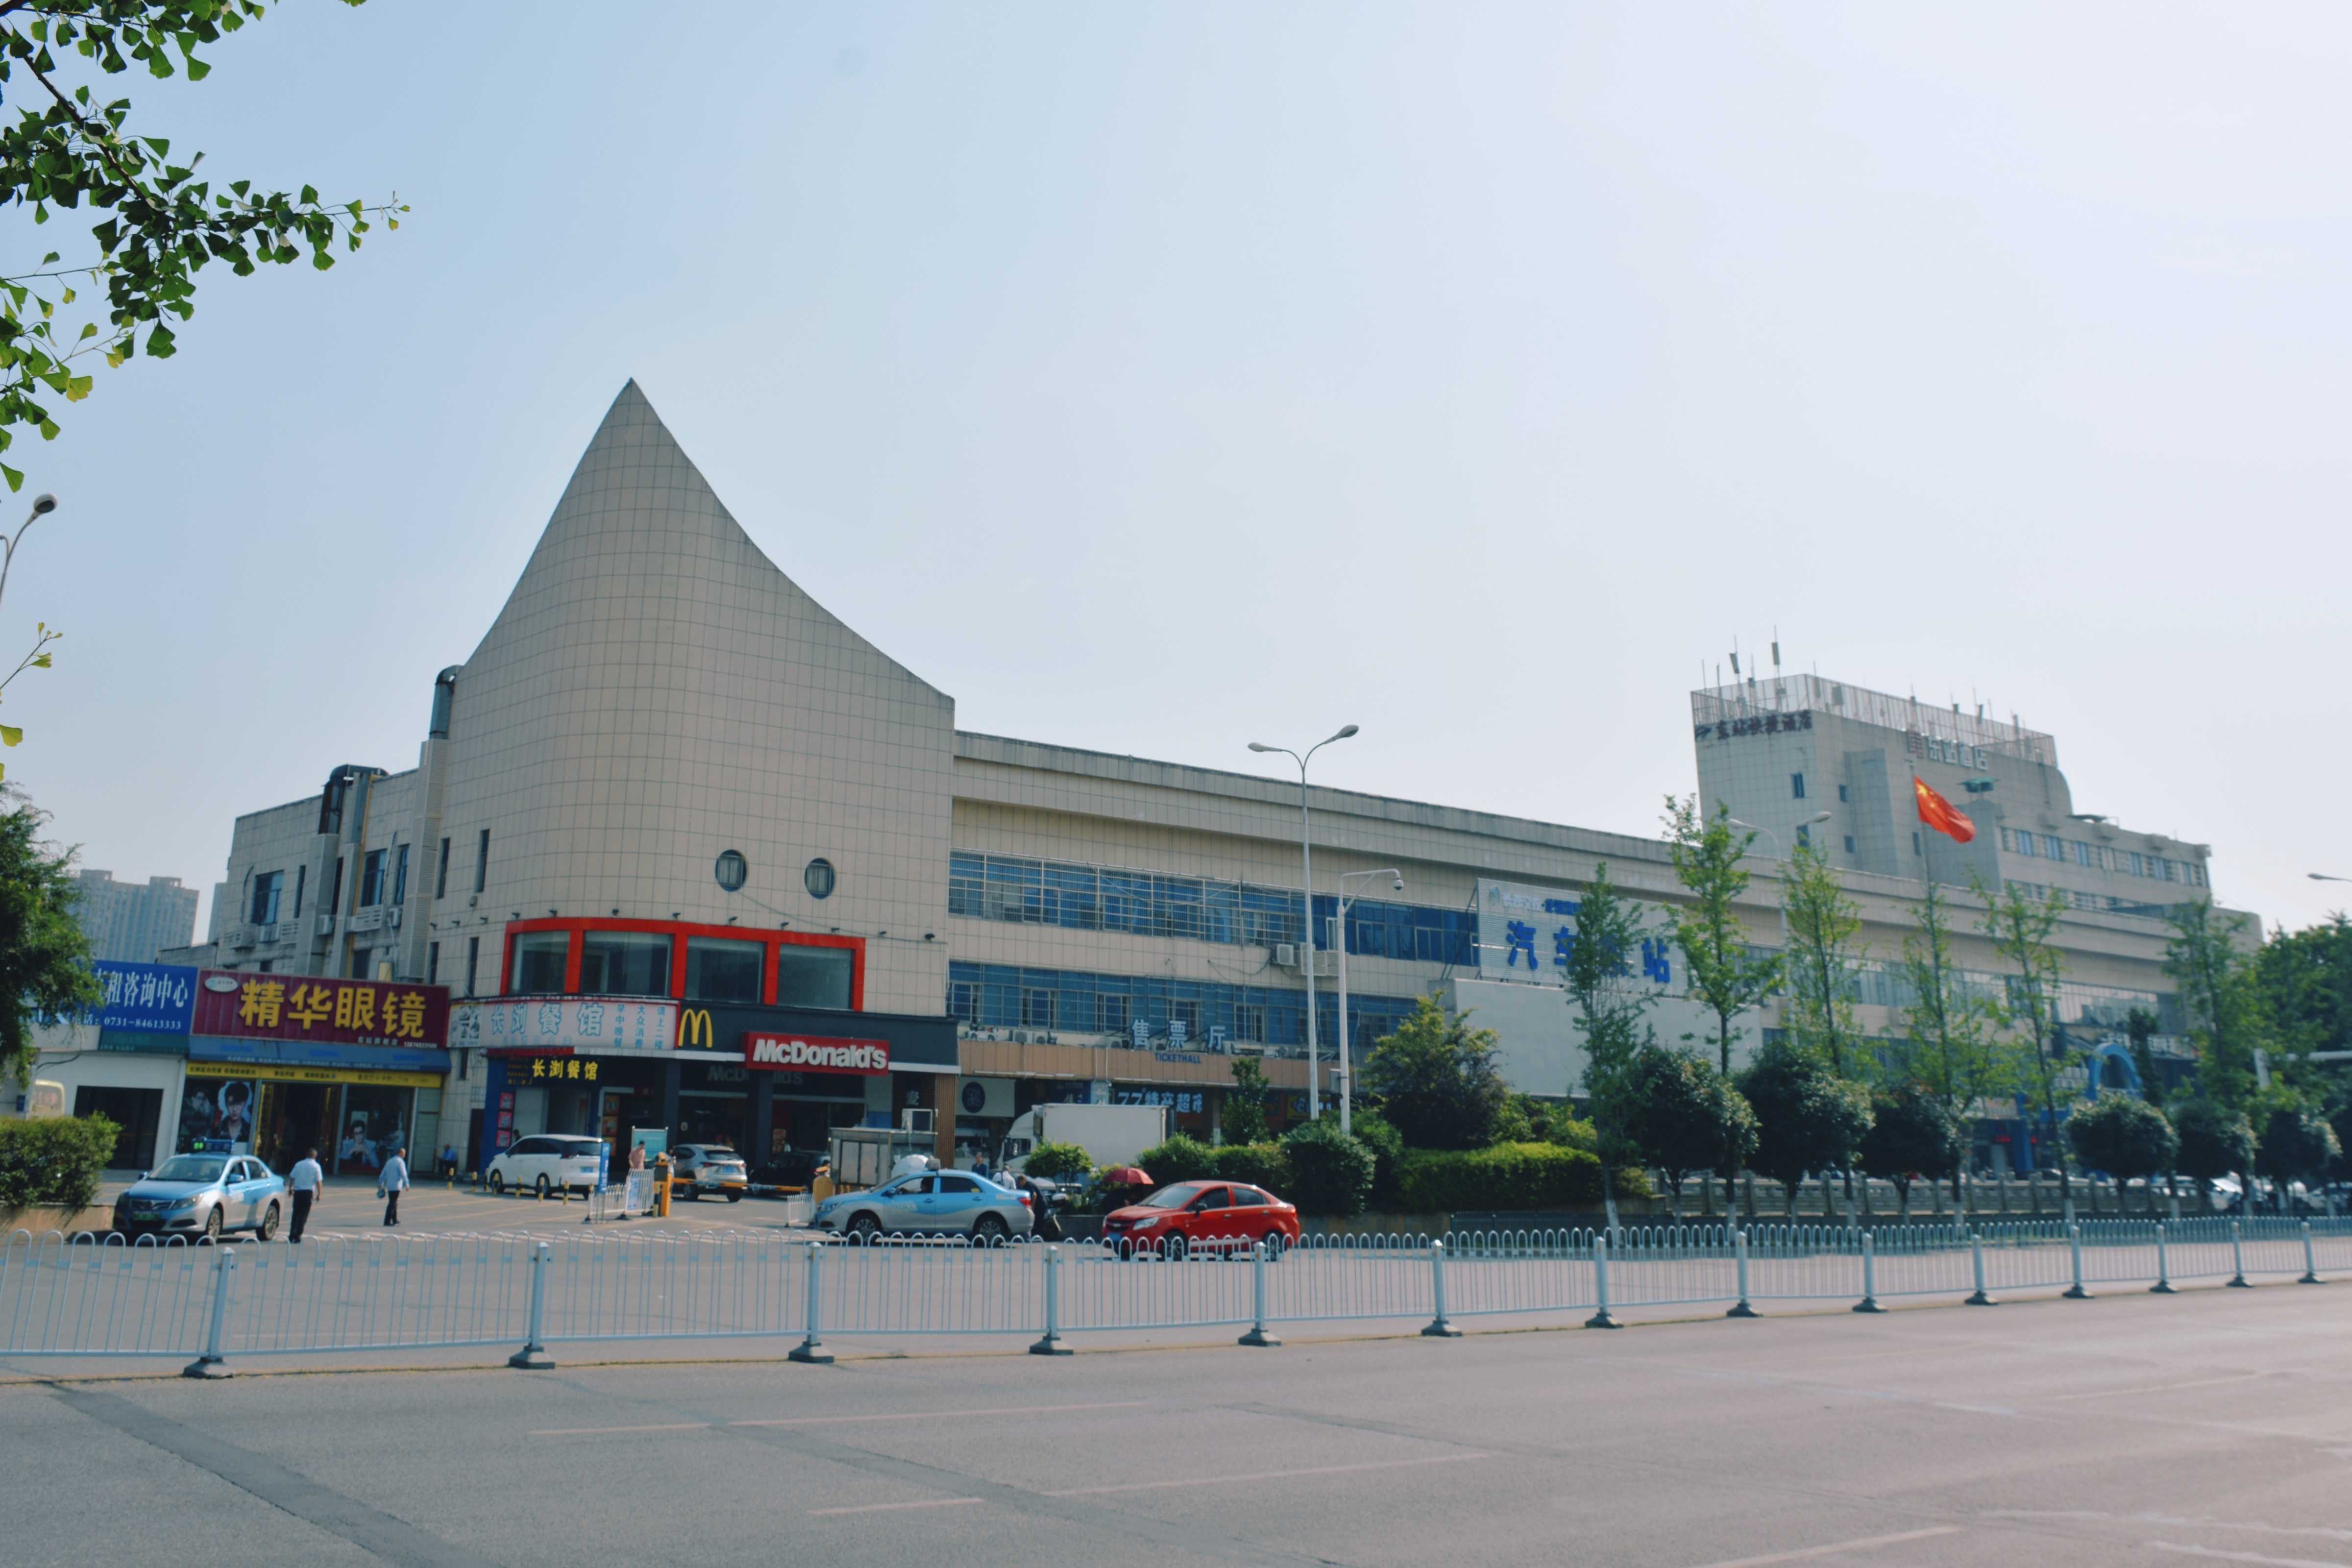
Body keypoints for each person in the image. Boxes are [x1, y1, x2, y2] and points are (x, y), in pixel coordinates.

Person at [288, 1148, 323, 1244]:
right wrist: (319, 1194)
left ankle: (292, 1235)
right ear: (315, 1156)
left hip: (298, 1192)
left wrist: (290, 1188)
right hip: (308, 1193)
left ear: (306, 1155)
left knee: (295, 1214)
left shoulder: (299, 1164)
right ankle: (298, 1235)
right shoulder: (316, 1166)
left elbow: (292, 1177)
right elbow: (319, 1182)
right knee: (303, 1215)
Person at [378, 1143, 410, 1227]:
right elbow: (404, 1174)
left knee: (394, 1202)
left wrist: (381, 1182)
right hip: (397, 1185)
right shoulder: (400, 1162)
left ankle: (395, 1220)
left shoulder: (390, 1161)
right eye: (404, 1154)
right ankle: (387, 1221)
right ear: (400, 1153)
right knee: (392, 1203)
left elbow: (384, 1173)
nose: (404, 1156)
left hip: (390, 1185)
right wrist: (407, 1183)